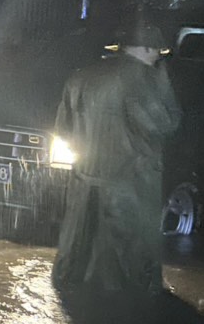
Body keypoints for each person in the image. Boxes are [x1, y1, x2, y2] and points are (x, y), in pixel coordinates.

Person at [52, 20, 182, 296]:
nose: (159, 57)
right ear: (148, 48)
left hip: (83, 186)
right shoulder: (146, 81)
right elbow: (165, 124)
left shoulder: (80, 76)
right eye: (158, 51)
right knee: (129, 284)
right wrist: (164, 84)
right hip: (130, 187)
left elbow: (62, 130)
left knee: (75, 275)